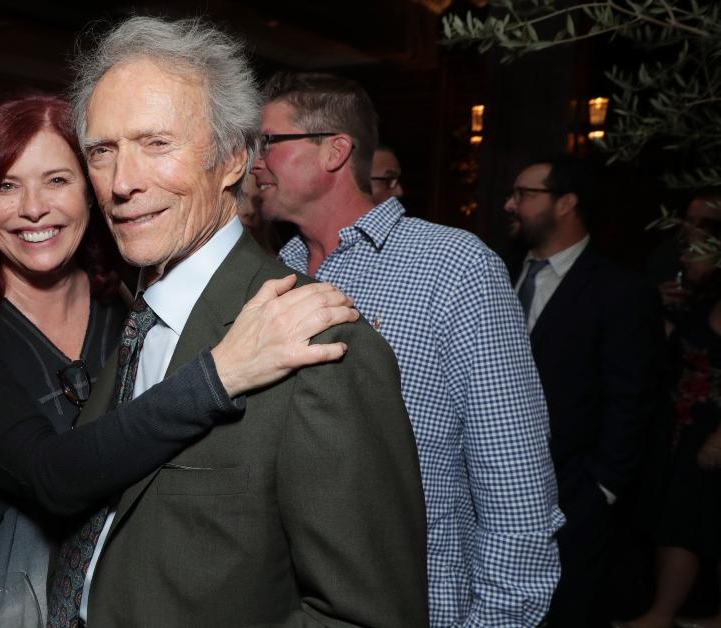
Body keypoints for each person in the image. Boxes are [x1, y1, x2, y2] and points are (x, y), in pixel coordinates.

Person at [0, 93, 361, 627]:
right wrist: (221, 375)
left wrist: (317, 323)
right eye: (6, 185)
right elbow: (49, 477)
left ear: (94, 191)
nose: (33, 208)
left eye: (57, 180)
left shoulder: (125, 305)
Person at [57, 17, 427, 627]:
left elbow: (368, 616)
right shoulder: (139, 320)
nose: (122, 183)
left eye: (156, 144)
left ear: (232, 159)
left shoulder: (318, 343)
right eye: (103, 151)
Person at [252, 71, 563, 625]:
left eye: (269, 143)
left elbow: (514, 479)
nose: (256, 162)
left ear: (335, 151)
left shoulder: (453, 267)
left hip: (422, 607)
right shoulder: (277, 274)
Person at [504, 155, 664, 626]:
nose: (509, 204)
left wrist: (604, 489)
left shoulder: (620, 290)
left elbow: (632, 398)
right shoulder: (496, 274)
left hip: (576, 498)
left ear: (566, 202)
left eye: (524, 195)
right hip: (495, 492)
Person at [621, 192, 721, 628]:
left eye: (703, 231)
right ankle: (661, 614)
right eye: (688, 224)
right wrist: (661, 316)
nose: (689, 237)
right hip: (683, 424)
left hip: (713, 428)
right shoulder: (695, 294)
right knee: (679, 518)